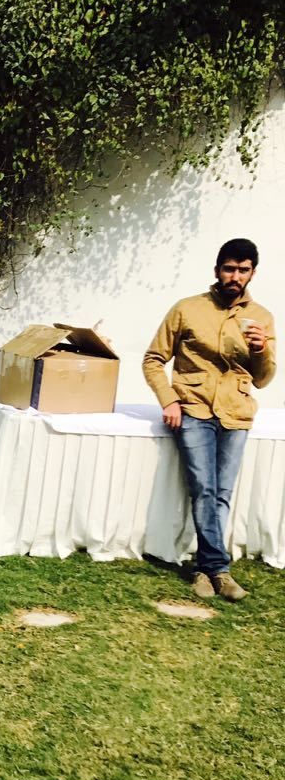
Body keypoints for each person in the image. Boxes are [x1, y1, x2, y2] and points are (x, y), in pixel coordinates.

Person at [143, 239, 276, 600]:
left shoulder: (261, 318)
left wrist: (261, 349)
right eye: (229, 268)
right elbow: (154, 359)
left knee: (221, 493)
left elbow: (263, 379)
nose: (235, 276)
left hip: (236, 413)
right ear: (217, 270)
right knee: (204, 488)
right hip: (193, 408)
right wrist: (169, 400)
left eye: (243, 269)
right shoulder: (187, 309)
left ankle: (205, 569)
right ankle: (219, 570)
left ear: (252, 273)